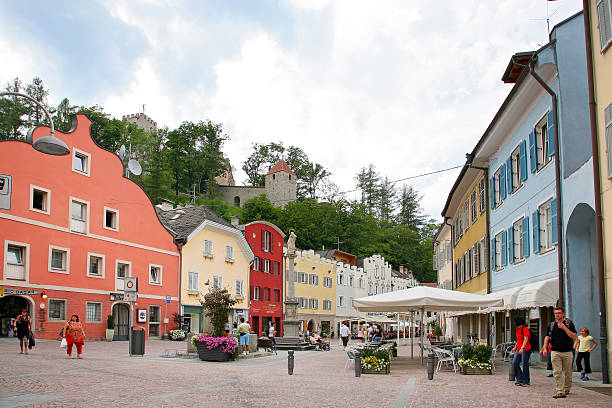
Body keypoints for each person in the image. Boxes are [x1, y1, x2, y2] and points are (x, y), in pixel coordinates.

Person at [541, 307, 578, 399]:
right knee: (557, 372)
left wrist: (564, 328)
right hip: (555, 351)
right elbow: (547, 337)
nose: (557, 315)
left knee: (568, 373)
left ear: (563, 314)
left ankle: (566, 389)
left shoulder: (569, 324)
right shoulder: (552, 325)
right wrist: (545, 348)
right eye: (556, 313)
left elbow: (574, 336)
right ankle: (560, 391)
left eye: (559, 313)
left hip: (567, 352)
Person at [512, 316, 531, 386]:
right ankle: (519, 378)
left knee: (524, 364)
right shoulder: (517, 329)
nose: (514, 323)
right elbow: (518, 339)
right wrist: (515, 346)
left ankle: (526, 380)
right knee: (515, 362)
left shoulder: (525, 329)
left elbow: (526, 338)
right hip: (518, 348)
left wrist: (522, 348)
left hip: (525, 349)